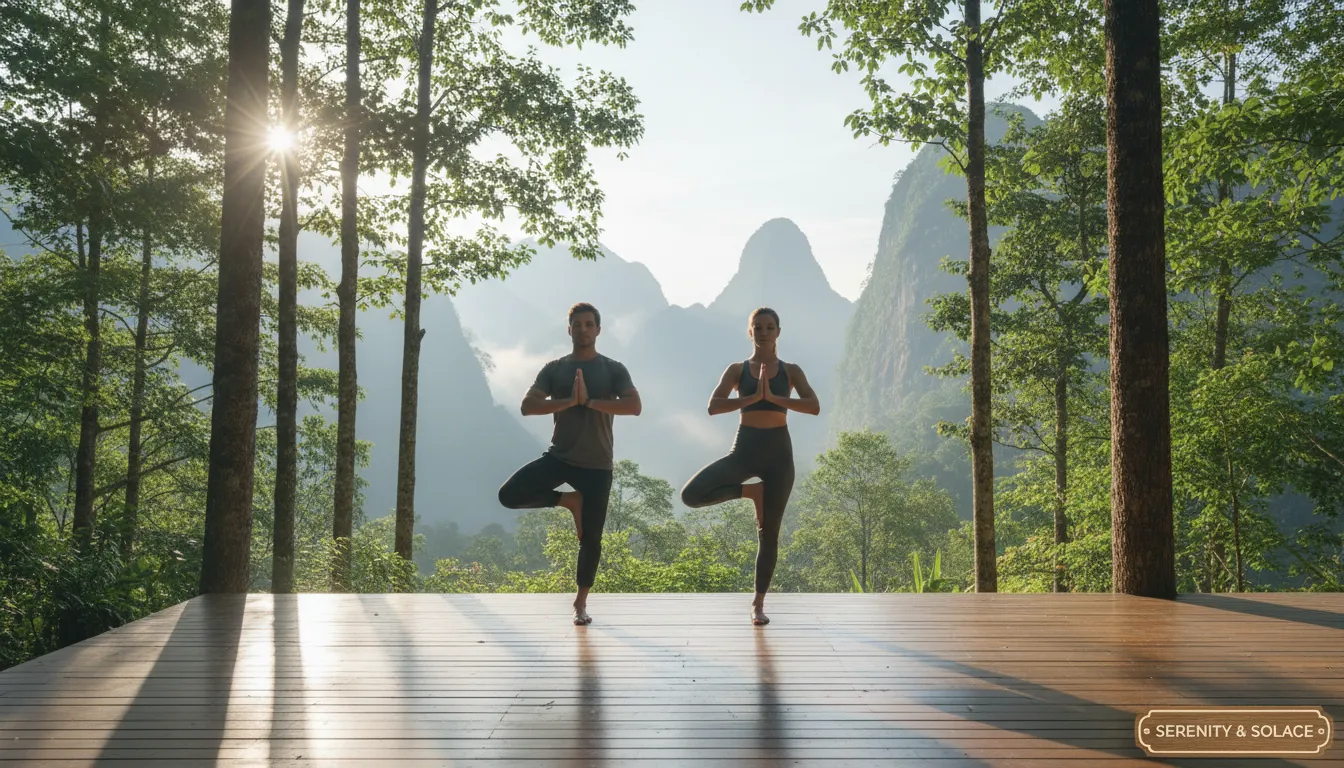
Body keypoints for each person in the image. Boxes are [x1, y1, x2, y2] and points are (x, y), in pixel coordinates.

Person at [498, 302, 641, 625]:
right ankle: (568, 500)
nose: (583, 330)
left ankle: (580, 604)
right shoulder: (555, 368)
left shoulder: (613, 369)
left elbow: (634, 405)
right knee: (509, 495)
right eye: (577, 325)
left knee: (592, 538)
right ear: (569, 330)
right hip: (560, 456)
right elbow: (527, 406)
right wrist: (568, 402)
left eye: (589, 324)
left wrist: (589, 402)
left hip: (597, 465)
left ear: (598, 330)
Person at [679, 307, 819, 626]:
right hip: (744, 450)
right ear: (750, 331)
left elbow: (813, 406)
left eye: (770, 327)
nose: (764, 332)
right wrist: (752, 397)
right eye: (758, 327)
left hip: (779, 455)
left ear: (778, 332)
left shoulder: (791, 370)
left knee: (769, 534)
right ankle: (750, 492)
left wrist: (777, 399)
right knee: (692, 494)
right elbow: (714, 406)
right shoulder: (737, 370)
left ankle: (758, 604)